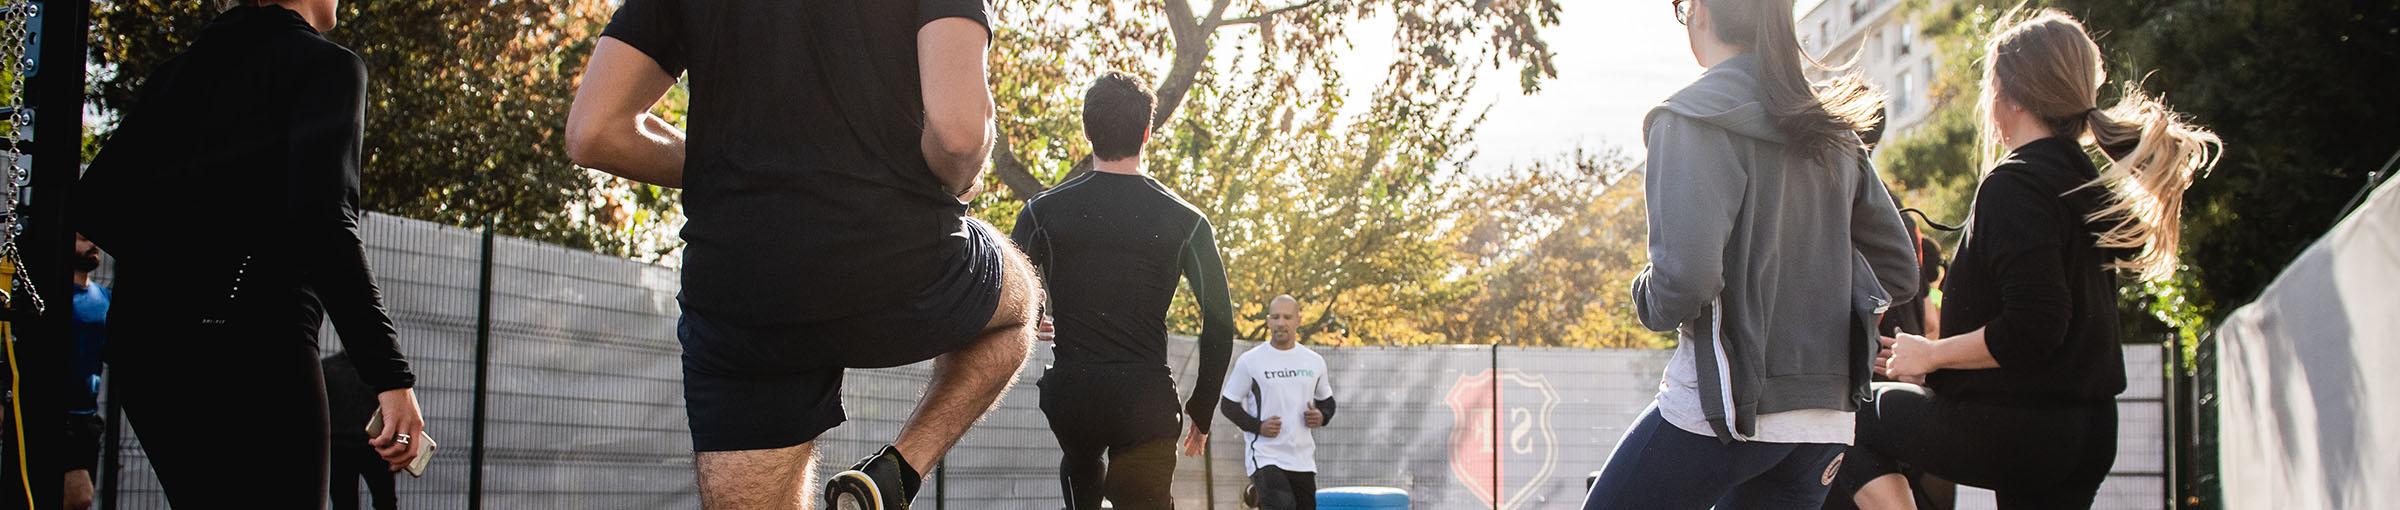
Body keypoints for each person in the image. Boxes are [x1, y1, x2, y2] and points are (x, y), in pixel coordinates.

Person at [565, 0, 1036, 507]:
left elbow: (596, 132)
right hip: (897, 261)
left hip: (744, 288)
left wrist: (741, 171)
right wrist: (959, 185)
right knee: (1022, 304)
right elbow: (960, 135)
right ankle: (899, 471)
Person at [1831, 9, 2221, 510]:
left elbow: (2034, 328)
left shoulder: (2016, 183)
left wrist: (1932, 355)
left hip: (2025, 429)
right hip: (2087, 429)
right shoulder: (2084, 180)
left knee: (1850, 420)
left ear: (2007, 95)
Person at [71, 1, 426, 506]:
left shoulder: (179, 72)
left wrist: (186, 255)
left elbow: (95, 203)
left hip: (149, 350)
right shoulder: (325, 65)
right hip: (259, 344)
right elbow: (326, 223)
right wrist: (391, 378)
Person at [1580, 0, 1920, 508]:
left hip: (1725, 411)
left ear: (1699, 12)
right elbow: (1899, 270)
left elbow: (1686, 279)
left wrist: (1644, 295)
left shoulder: (1688, 118)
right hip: (1824, 418)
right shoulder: (1835, 133)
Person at [1014, 72, 1236, 510]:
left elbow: (1008, 286)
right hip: (1145, 397)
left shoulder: (1042, 210)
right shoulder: (1187, 220)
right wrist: (1203, 405)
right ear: (1148, 133)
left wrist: (1031, 311)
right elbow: (1220, 321)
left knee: (1080, 463)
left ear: (1086, 130)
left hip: (1074, 396)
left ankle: (1084, 483)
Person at [1220, 296, 1336, 510]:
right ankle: (1262, 492)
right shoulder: (1250, 361)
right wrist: (1258, 426)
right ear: (1268, 321)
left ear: (1298, 321)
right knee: (1283, 506)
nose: (1281, 322)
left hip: (1302, 459)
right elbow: (1228, 405)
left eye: (1287, 317)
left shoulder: (1314, 362)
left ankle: (1259, 495)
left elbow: (1327, 401)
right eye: (1275, 317)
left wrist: (1321, 416)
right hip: (1265, 455)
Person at [62, 234, 109, 510]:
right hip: (57, 417)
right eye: (81, 238)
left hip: (87, 422)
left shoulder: (104, 300)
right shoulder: (49, 298)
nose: (92, 244)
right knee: (80, 497)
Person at [325, 353, 398, 510]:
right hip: (374, 446)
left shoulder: (328, 367)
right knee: (385, 501)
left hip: (341, 446)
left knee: (344, 502)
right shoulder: (380, 369)